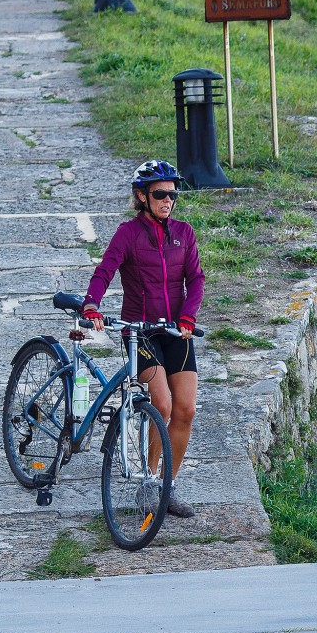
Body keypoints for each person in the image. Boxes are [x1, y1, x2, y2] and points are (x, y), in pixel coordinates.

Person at [82, 160, 205, 519]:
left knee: (186, 410)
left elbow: (195, 278)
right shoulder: (128, 234)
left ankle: (167, 486)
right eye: (160, 194)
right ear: (142, 196)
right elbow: (105, 271)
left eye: (173, 193)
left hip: (176, 329)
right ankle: (149, 483)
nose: (169, 199)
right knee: (162, 405)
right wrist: (92, 303)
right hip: (139, 331)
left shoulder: (184, 232)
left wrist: (188, 315)